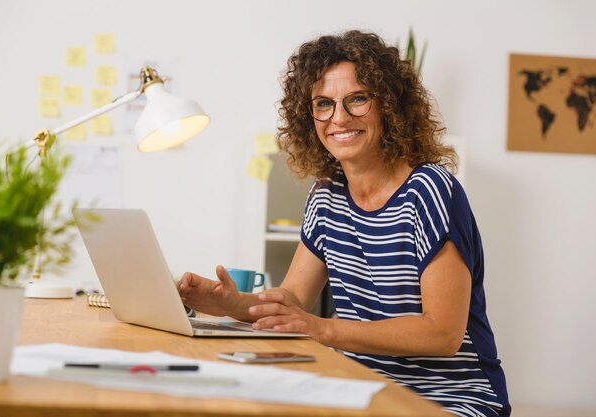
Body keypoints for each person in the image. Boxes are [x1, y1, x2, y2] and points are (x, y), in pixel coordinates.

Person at [178, 30, 510, 417]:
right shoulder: (326, 195)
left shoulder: (430, 190)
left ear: (388, 105)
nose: (338, 118)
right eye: (323, 104)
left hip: (452, 401)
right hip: (363, 391)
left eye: (356, 99)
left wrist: (321, 329)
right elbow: (293, 301)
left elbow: (443, 333)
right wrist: (229, 304)